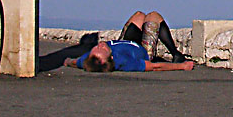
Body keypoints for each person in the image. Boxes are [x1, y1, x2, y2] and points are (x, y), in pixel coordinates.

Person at [64, 10, 194, 72]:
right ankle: (176, 54)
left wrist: (67, 61)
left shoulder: (87, 59)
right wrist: (182, 66)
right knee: (153, 16)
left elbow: (75, 62)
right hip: (143, 49)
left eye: (96, 48)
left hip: (124, 41)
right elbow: (155, 66)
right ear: (112, 58)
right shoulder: (125, 62)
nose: (100, 45)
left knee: (139, 15)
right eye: (102, 49)